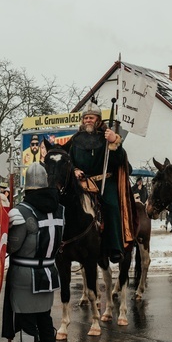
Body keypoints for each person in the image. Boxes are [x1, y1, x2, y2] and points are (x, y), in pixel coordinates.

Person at [3, 162, 63, 342]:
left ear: (26, 186)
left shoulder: (20, 212)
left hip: (25, 274)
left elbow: (12, 247)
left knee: (28, 325)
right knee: (45, 324)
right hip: (48, 272)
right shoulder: (60, 209)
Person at [64, 103, 134, 263]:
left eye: (91, 117)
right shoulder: (75, 140)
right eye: (86, 118)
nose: (88, 120)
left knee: (111, 205)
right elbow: (69, 160)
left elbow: (118, 161)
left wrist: (114, 142)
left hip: (104, 181)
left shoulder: (107, 137)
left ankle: (115, 247)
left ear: (98, 120)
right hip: (82, 182)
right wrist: (74, 169)